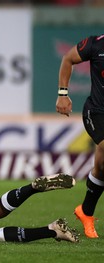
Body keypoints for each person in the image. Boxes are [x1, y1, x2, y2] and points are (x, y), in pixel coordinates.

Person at [56, 34, 104, 239]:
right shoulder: (96, 44)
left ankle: (85, 211)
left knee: (102, 166)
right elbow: (68, 58)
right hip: (96, 112)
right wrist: (63, 93)